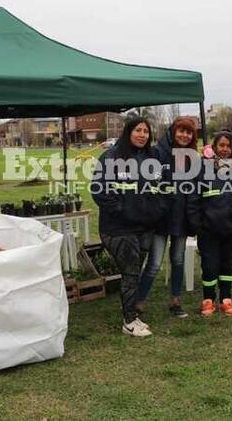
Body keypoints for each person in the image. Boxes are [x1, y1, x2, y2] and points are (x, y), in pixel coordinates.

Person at [90, 117, 164, 337]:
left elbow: (159, 188)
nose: (142, 135)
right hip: (118, 228)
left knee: (133, 273)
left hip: (144, 227)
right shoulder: (111, 156)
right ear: (128, 132)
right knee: (131, 272)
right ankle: (129, 321)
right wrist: (123, 209)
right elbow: (99, 190)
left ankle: (132, 314)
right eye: (138, 130)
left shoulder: (152, 158)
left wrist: (155, 211)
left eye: (146, 131)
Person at [135, 117, 198, 318]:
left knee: (178, 260)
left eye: (189, 132)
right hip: (160, 218)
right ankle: (139, 302)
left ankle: (175, 300)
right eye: (181, 131)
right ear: (173, 131)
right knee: (154, 263)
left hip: (181, 217)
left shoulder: (192, 157)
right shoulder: (157, 153)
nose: (184, 135)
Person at [189, 131, 232, 317]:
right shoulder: (202, 168)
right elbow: (193, 198)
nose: (225, 149)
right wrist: (197, 225)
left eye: (228, 146)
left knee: (228, 264)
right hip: (209, 229)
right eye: (221, 145)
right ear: (214, 147)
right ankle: (208, 299)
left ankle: (226, 299)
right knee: (210, 265)